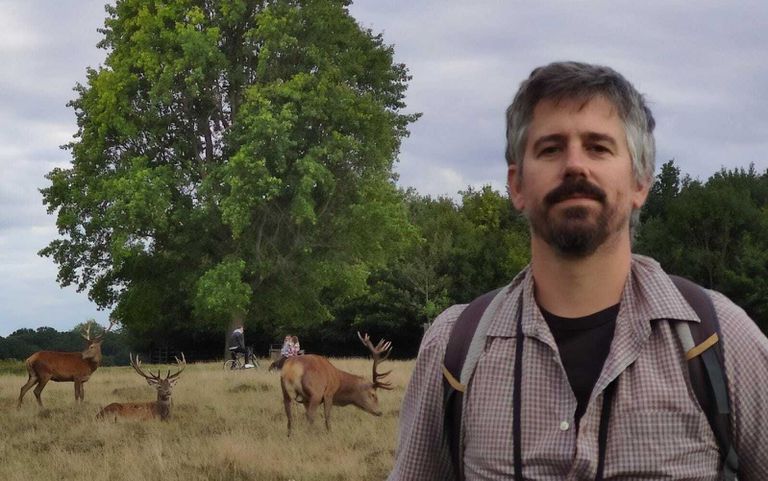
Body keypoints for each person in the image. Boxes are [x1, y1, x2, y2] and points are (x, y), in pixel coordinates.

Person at [388, 61, 768, 480]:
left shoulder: (723, 342)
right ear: (516, 185)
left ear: (640, 182)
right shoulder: (455, 350)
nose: (574, 165)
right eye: (550, 149)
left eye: (598, 147)